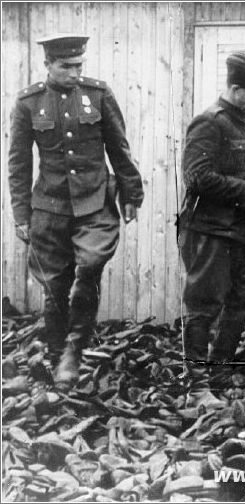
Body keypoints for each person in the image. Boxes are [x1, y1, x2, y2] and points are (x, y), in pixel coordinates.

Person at [8, 34, 144, 387]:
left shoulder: (98, 95)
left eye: (78, 65)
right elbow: (18, 163)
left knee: (90, 269)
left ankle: (74, 350)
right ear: (48, 65)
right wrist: (22, 215)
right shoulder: (28, 103)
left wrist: (132, 194)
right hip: (49, 209)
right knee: (54, 288)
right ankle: (57, 359)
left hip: (95, 204)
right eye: (66, 66)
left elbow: (120, 148)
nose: (74, 72)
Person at [178, 52, 245, 371]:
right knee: (204, 305)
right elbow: (196, 177)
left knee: (243, 301)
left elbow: (240, 164)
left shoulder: (242, 120)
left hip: (243, 230)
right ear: (236, 89)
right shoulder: (210, 122)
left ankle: (219, 369)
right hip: (211, 230)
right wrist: (244, 189)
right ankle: (196, 382)